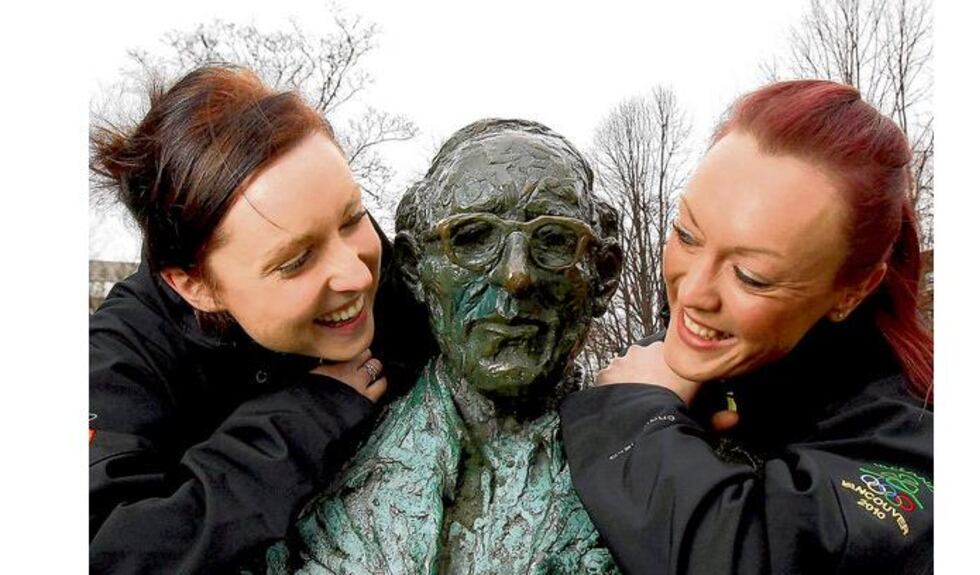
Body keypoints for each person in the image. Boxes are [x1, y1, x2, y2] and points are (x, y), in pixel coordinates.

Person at [559, 80, 934, 574]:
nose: (694, 292)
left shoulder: (914, 440)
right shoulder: (685, 369)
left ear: (853, 290)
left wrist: (635, 414)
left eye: (750, 276)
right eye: (686, 235)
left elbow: (754, 557)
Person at [88, 64, 430, 574]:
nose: (357, 275)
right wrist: (302, 419)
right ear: (195, 285)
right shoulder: (120, 357)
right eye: (296, 261)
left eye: (352, 217)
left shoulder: (387, 271)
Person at [265, 119, 625, 574]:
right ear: (414, 268)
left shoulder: (653, 469)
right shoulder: (314, 464)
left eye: (554, 240)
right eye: (473, 238)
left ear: (603, 276)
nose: (516, 276)